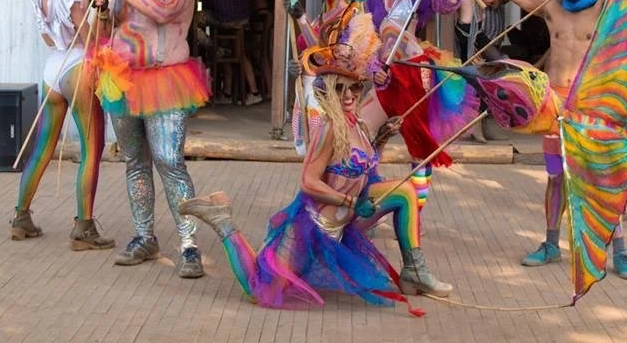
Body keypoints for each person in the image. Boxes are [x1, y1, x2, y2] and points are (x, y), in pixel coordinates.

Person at [179, 38, 452, 313]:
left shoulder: (357, 125)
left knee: (405, 194)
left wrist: (382, 137)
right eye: (340, 89)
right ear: (328, 94)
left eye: (354, 88)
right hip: (313, 227)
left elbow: (365, 170)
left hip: (346, 222)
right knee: (261, 290)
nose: (348, 96)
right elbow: (308, 182)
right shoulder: (329, 128)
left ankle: (414, 270)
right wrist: (350, 202)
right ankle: (222, 220)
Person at [468, 0, 627, 279]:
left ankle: (620, 250)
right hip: (555, 105)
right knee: (556, 177)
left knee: (601, 177)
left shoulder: (604, 5)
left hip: (591, 105)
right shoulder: (551, 5)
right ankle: (550, 245)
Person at [92, 0, 211, 278]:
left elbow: (163, 12)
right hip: (124, 79)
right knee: (135, 161)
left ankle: (189, 245)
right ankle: (145, 236)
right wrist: (101, 2)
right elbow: (113, 22)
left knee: (169, 160)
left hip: (166, 80)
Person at [8, 0, 114, 251]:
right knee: (91, 149)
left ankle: (21, 219)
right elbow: (91, 37)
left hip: (52, 70)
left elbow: (50, 38)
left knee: (41, 148)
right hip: (78, 68)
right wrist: (103, 11)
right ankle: (84, 227)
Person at [365, 0, 465, 214]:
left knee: (419, 148)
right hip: (384, 74)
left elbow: (449, 4)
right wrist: (374, 68)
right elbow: (369, 38)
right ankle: (366, 201)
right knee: (363, 137)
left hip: (413, 74)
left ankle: (414, 215)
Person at [286, 0, 384, 155]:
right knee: (310, 155)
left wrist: (301, 19)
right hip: (308, 94)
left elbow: (328, 56)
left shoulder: (354, 16)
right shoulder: (320, 17)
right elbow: (310, 55)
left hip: (334, 97)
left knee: (329, 154)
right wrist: (298, 65)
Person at [195, 0, 262, 106]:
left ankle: (213, 48)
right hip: (243, 18)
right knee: (240, 51)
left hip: (221, 17)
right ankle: (252, 92)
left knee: (193, 22)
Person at [453, 0, 509, 143]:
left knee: (492, 69)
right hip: (468, 31)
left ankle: (478, 126)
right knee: (476, 76)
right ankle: (473, 128)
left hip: (476, 29)